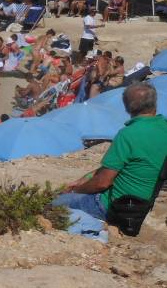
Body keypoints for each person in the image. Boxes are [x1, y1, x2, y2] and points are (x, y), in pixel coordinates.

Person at [55, 83, 167, 227]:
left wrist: (75, 190)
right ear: (154, 103)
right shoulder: (163, 127)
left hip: (114, 207)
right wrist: (85, 179)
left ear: (127, 107)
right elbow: (124, 166)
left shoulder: (128, 134)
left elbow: (102, 183)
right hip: (140, 206)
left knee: (55, 203)